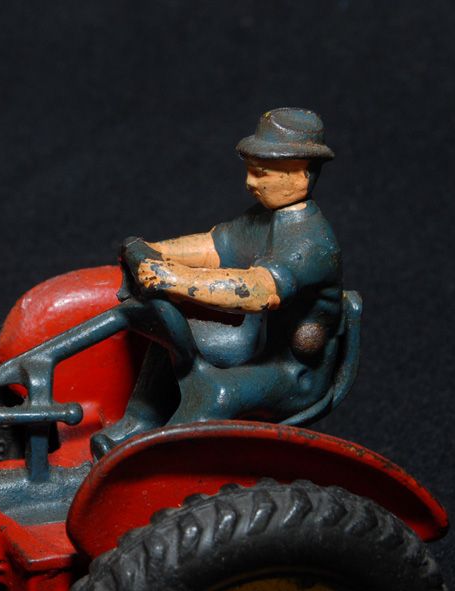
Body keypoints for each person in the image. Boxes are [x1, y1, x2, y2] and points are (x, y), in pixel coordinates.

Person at [92, 107, 343, 456]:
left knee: (220, 392)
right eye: (250, 171)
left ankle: (156, 462)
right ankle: (137, 425)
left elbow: (259, 291)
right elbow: (214, 245)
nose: (250, 183)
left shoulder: (310, 242)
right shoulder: (263, 219)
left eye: (261, 173)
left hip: (291, 371)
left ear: (300, 174)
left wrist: (173, 278)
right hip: (253, 340)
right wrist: (155, 251)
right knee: (169, 339)